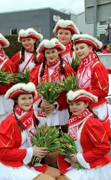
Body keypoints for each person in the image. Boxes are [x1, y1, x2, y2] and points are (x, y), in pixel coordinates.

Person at [0, 82, 60, 180]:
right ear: (16, 100)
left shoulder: (31, 116)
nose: (28, 101)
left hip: (27, 161)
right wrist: (31, 152)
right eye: (23, 98)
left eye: (30, 98)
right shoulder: (10, 122)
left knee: (56, 174)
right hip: (13, 164)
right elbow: (4, 153)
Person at [57, 89, 111, 180]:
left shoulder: (91, 122)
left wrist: (80, 158)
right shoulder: (74, 119)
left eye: (78, 104)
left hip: (91, 161)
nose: (74, 107)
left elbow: (104, 147)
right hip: (77, 157)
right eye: (72, 104)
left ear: (87, 104)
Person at [30, 38, 75, 168]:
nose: (50, 55)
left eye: (53, 52)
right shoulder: (38, 70)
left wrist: (56, 104)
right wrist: (40, 103)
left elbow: (70, 90)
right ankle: (50, 163)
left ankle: (70, 159)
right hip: (44, 108)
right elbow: (33, 89)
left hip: (61, 108)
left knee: (68, 134)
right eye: (48, 53)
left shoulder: (66, 69)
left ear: (58, 52)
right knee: (48, 136)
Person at [72, 33, 111, 138]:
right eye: (77, 49)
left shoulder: (97, 66)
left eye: (82, 47)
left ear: (90, 48)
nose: (79, 51)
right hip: (84, 108)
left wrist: (82, 96)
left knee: (99, 140)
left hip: (97, 108)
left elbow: (102, 91)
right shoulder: (81, 66)